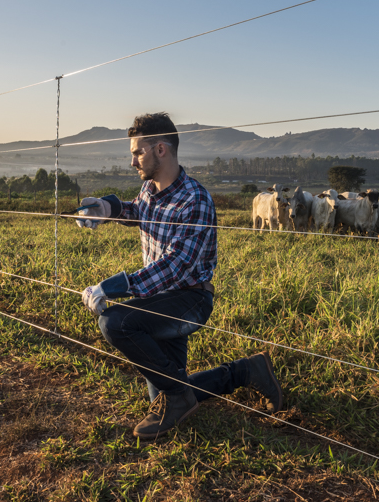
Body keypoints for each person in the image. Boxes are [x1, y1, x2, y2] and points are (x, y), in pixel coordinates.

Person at [76, 112, 282, 441]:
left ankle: (179, 395)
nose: (132, 162)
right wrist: (107, 208)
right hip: (158, 301)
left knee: (115, 322)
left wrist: (114, 286)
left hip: (189, 300)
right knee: (166, 394)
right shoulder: (150, 189)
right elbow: (139, 211)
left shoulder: (195, 201)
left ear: (161, 150)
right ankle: (246, 371)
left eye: (137, 152)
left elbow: (176, 266)